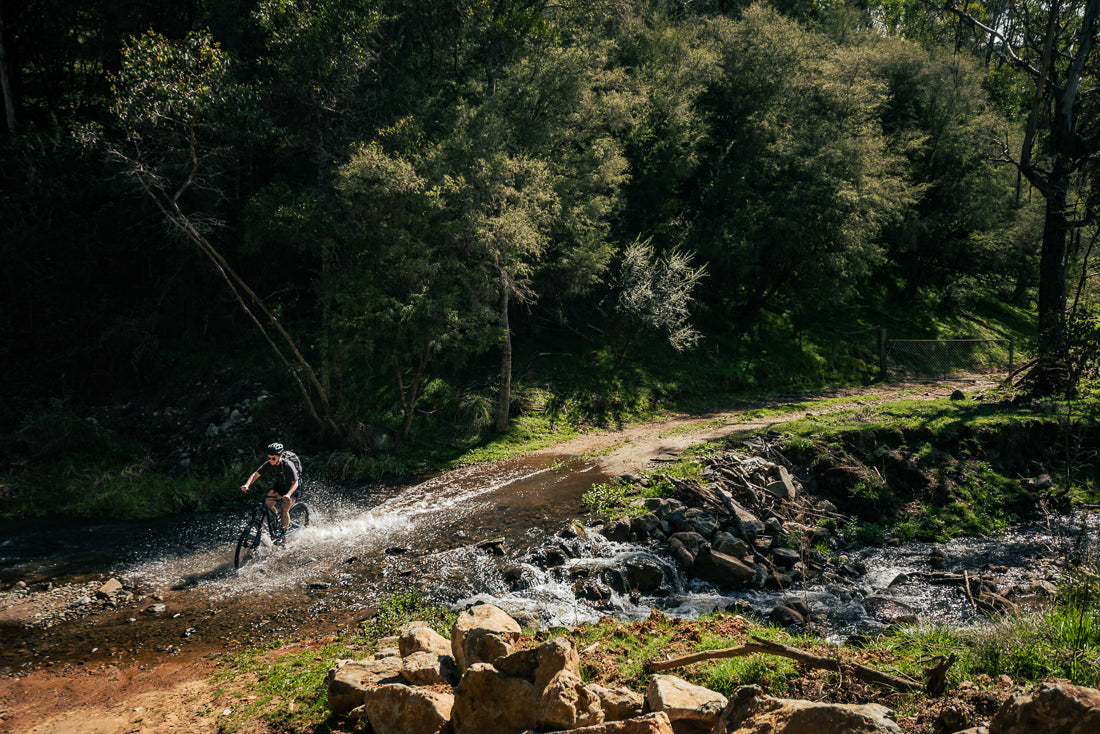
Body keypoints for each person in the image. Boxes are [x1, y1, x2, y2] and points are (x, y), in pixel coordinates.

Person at [241, 442, 300, 540]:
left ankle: (283, 534)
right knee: (268, 502)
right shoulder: (269, 463)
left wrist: (288, 495)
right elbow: (256, 474)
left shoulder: (288, 465)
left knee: (284, 509)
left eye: (273, 458)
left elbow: (295, 482)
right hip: (279, 486)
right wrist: (247, 485)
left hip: (292, 488)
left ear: (280, 456)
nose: (271, 460)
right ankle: (276, 520)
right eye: (269, 458)